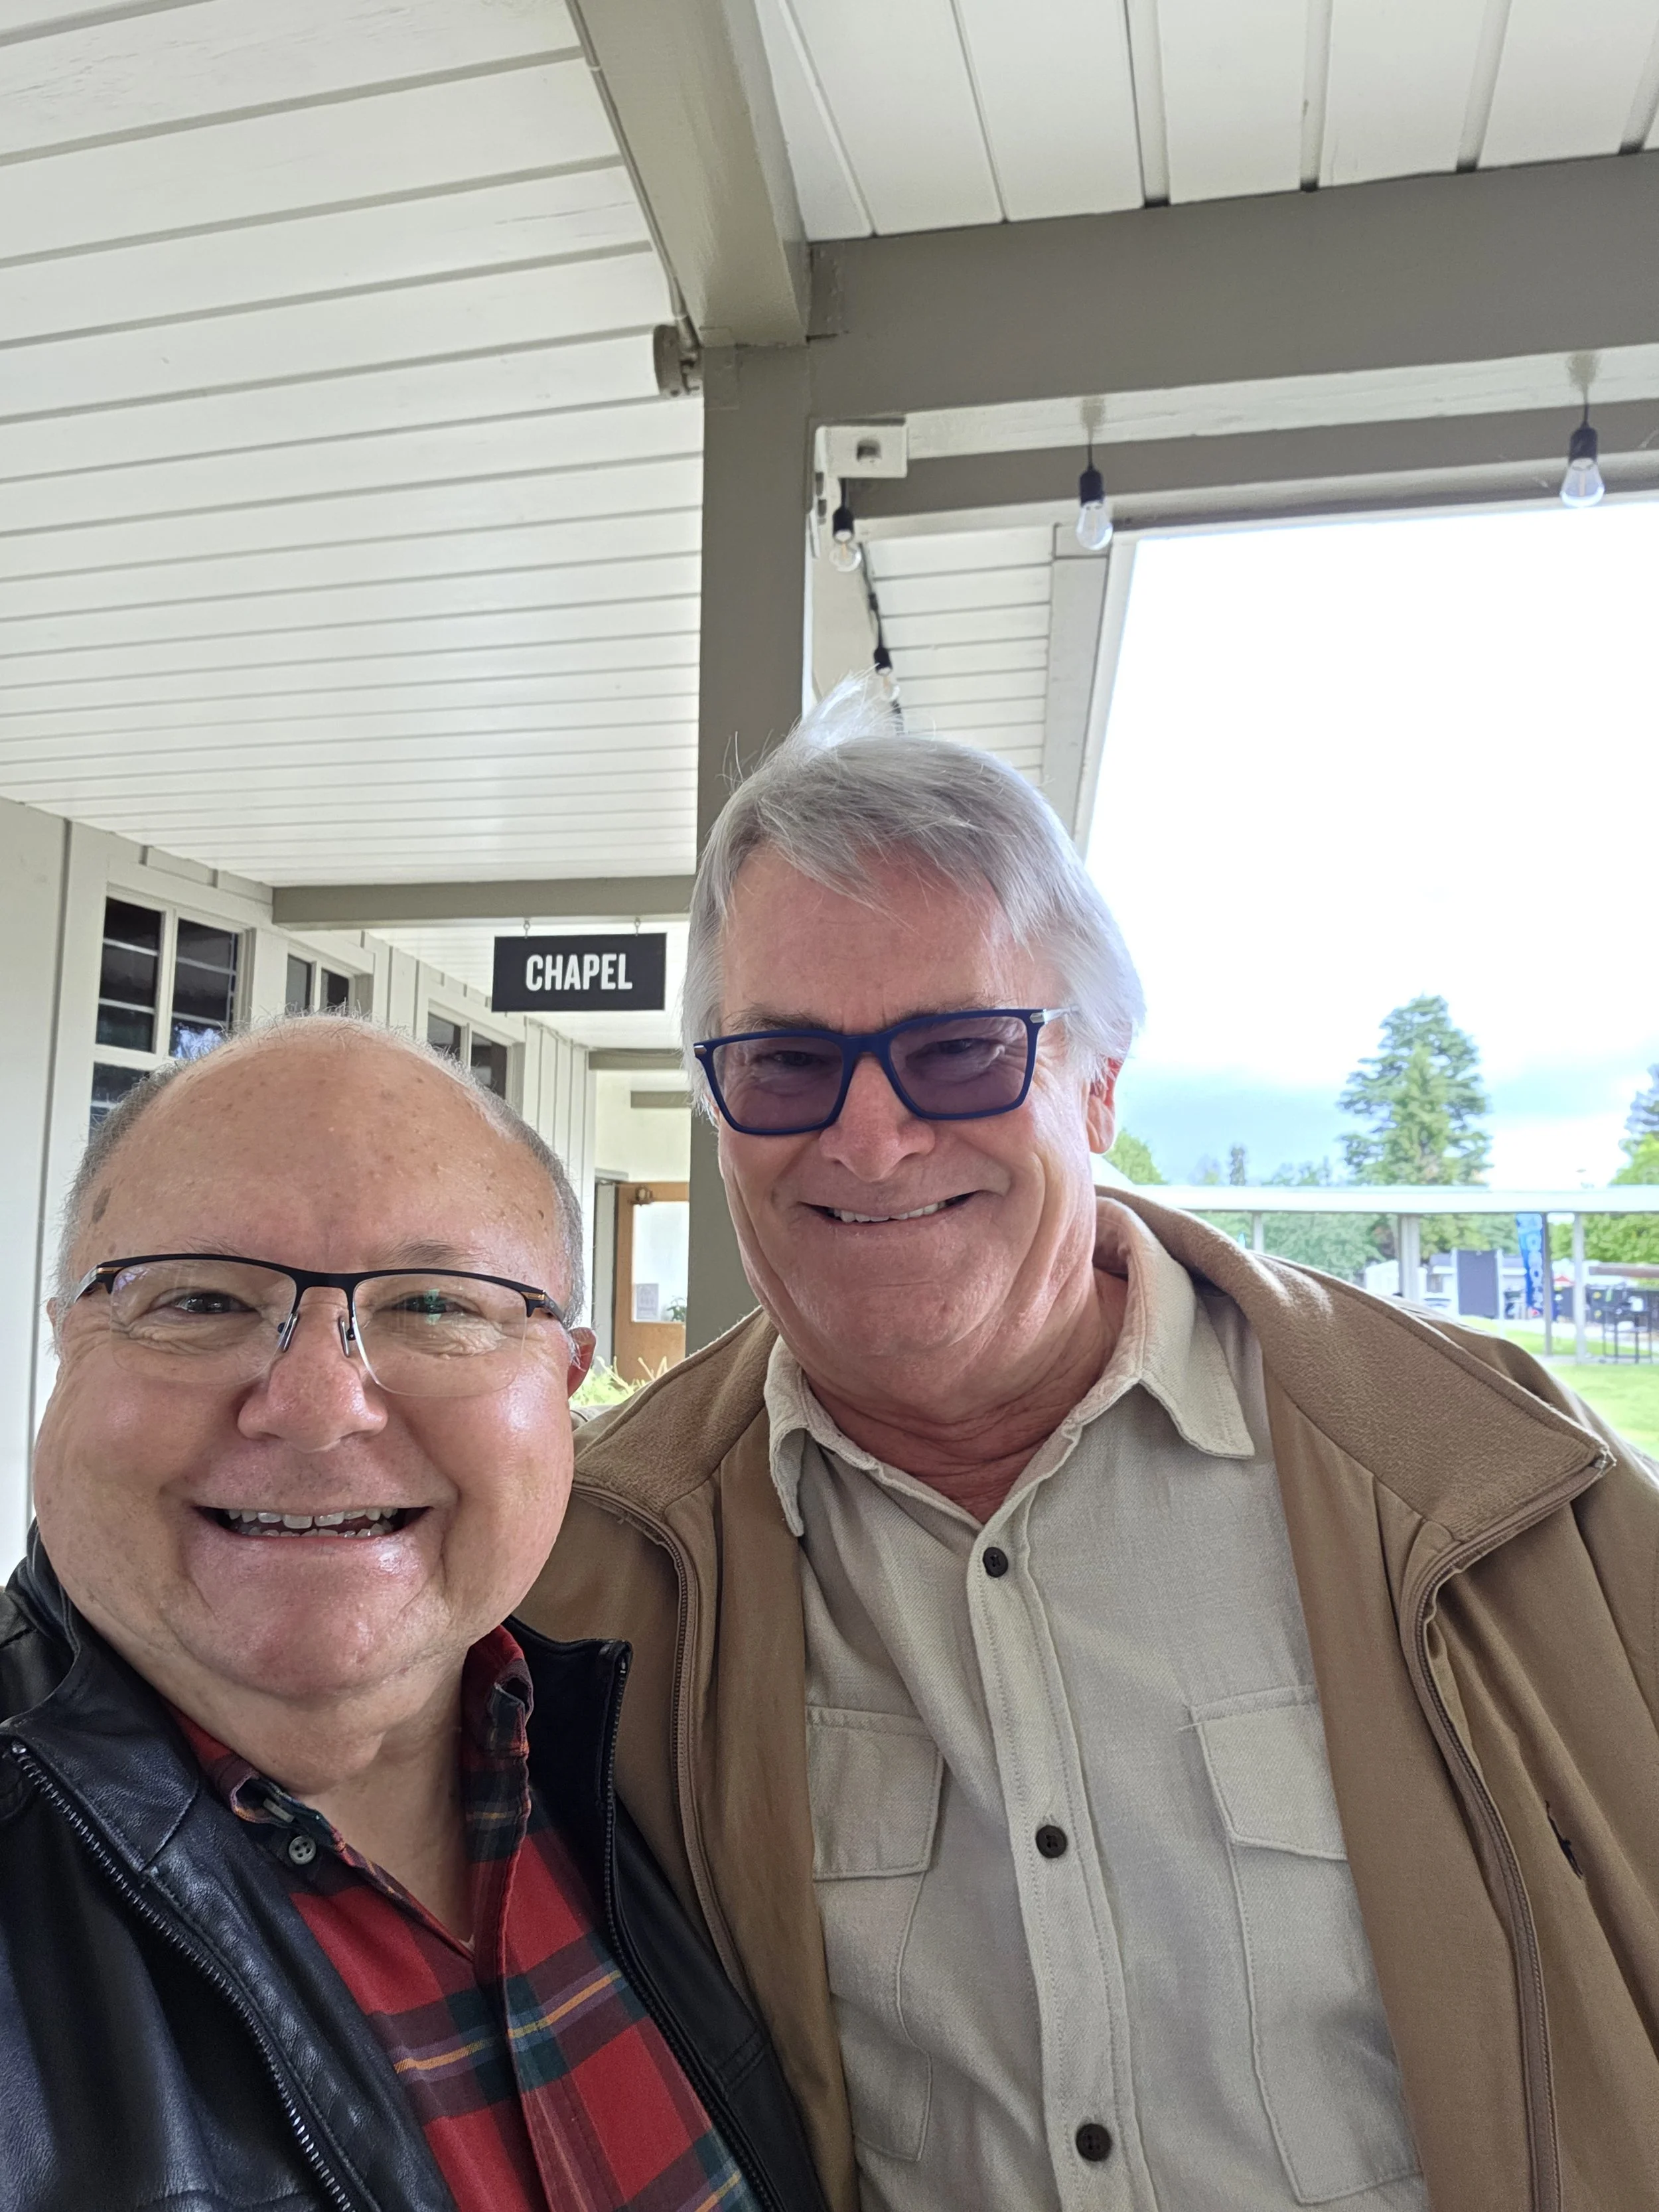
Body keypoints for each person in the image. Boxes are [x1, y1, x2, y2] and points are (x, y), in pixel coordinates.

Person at [523, 683, 1659, 2212]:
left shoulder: (1506, 1484)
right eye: (786, 1064)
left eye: (959, 1050)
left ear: (1098, 1085)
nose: (867, 1139)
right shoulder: (591, 1572)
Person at [1, 1018, 826, 2212]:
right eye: (200, 1301)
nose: (317, 1406)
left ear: (567, 1377)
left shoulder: (644, 1765)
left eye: (436, 1305)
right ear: (67, 1343)